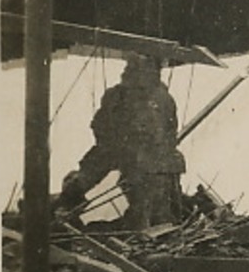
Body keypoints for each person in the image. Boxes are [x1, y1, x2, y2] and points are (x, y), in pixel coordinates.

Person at [57, 55, 186, 228]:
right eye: (129, 67)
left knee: (153, 218)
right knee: (154, 217)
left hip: (152, 165)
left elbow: (165, 134)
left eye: (134, 67)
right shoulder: (128, 97)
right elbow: (101, 131)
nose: (126, 71)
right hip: (148, 162)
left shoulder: (156, 99)